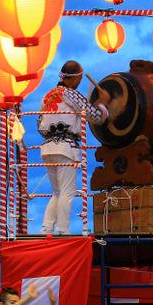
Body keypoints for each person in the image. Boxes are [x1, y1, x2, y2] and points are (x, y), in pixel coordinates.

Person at [37, 59, 110, 235]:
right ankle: (63, 230)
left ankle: (46, 228)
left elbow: (40, 126)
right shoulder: (72, 94)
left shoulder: (46, 96)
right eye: (78, 78)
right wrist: (104, 103)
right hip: (66, 148)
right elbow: (95, 116)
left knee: (57, 192)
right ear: (72, 78)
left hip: (47, 148)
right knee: (67, 193)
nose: (79, 82)